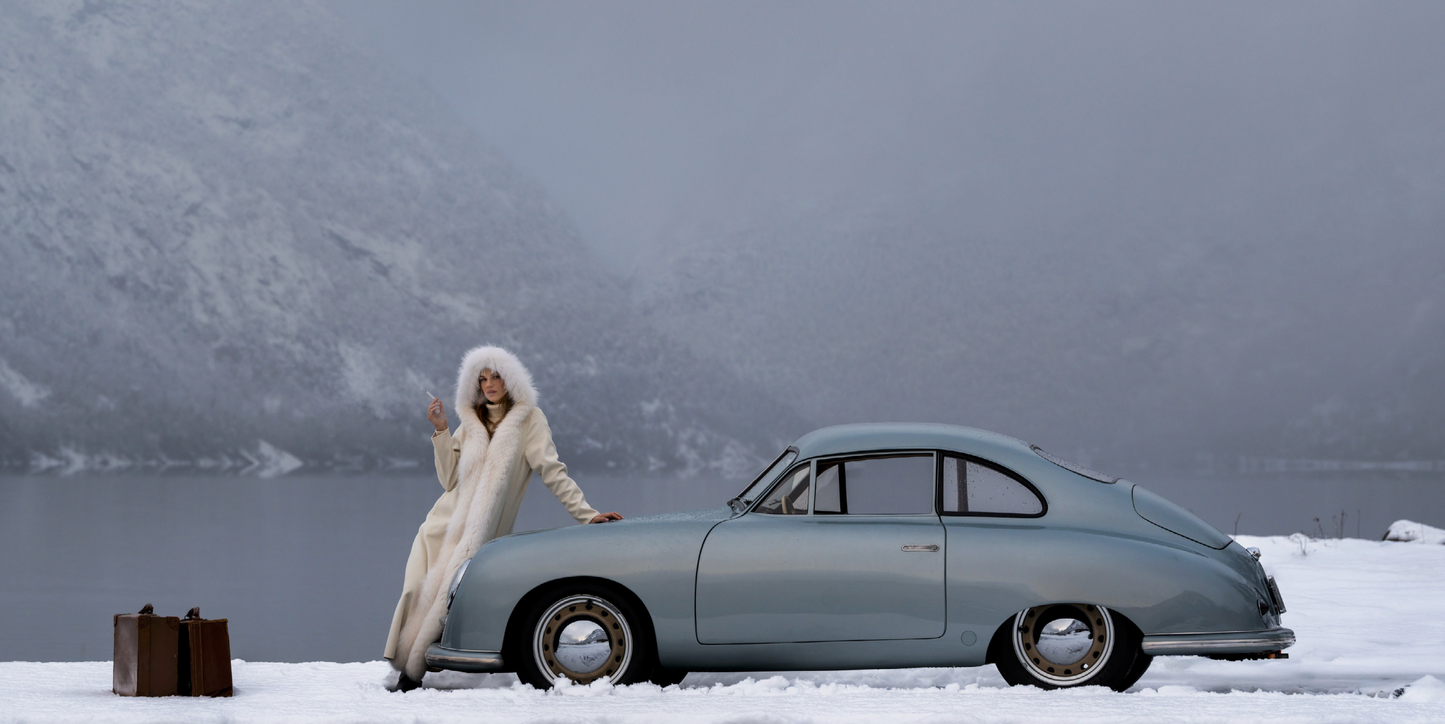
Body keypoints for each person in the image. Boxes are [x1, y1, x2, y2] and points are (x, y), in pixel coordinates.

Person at [384, 345, 622, 690]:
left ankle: (415, 670)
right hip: (441, 525)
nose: (489, 384)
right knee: (414, 591)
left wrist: (587, 515)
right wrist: (440, 431)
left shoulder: (528, 420)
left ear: (510, 379)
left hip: (479, 533)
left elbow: (552, 471)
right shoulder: (470, 422)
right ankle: (406, 667)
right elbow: (449, 479)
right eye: (482, 379)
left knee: (447, 598)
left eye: (495, 376)